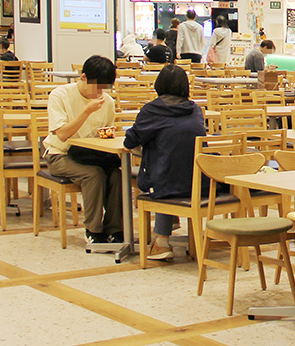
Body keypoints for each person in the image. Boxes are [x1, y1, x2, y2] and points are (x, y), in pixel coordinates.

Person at [123, 64, 205, 260]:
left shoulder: (152, 110)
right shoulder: (195, 110)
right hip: (200, 182)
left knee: (161, 166)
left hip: (165, 183)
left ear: (158, 85)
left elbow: (130, 142)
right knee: (171, 159)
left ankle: (161, 241)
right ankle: (170, 221)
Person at [42, 55, 122, 246]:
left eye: (104, 88)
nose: (100, 93)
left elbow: (103, 133)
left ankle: (115, 230)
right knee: (93, 175)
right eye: (97, 87)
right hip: (60, 155)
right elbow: (62, 134)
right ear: (83, 77)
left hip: (91, 155)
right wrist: (87, 111)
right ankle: (93, 230)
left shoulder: (107, 102)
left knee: (117, 175)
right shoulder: (60, 95)